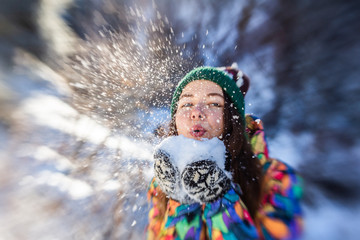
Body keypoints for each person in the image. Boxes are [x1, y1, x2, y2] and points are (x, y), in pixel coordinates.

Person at [147, 65, 303, 240]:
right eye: (187, 104)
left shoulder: (277, 178)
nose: (196, 113)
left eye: (213, 103)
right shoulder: (162, 181)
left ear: (232, 118)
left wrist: (219, 198)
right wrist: (181, 199)